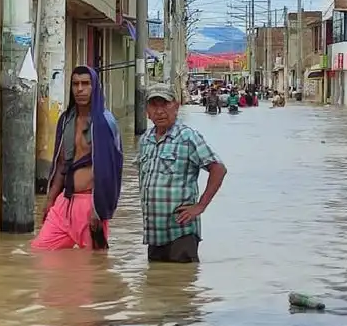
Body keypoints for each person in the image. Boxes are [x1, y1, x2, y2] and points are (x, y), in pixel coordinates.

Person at [31, 66, 124, 251]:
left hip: (91, 205)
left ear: (94, 87)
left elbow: (109, 171)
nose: (80, 89)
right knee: (39, 252)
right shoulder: (66, 120)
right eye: (75, 84)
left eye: (85, 84)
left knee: (93, 264)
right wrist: (50, 200)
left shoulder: (105, 122)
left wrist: (99, 210)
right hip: (64, 202)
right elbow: (61, 164)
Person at [136, 83, 227, 263]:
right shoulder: (146, 139)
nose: (159, 111)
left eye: (165, 104)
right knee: (156, 279)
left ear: (176, 106)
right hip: (154, 235)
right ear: (147, 111)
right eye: (154, 105)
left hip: (181, 233)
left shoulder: (188, 137)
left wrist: (200, 206)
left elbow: (218, 169)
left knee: (182, 278)